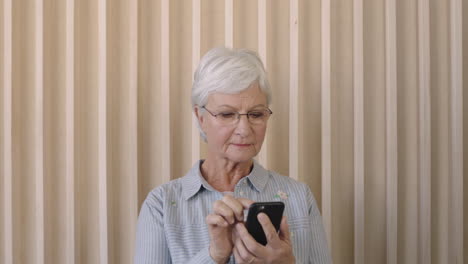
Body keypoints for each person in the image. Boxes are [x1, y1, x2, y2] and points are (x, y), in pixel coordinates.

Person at [135, 47, 331, 264]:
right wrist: (214, 255)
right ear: (201, 118)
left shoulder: (299, 197)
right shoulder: (162, 205)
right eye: (227, 114)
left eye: (256, 114)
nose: (244, 130)